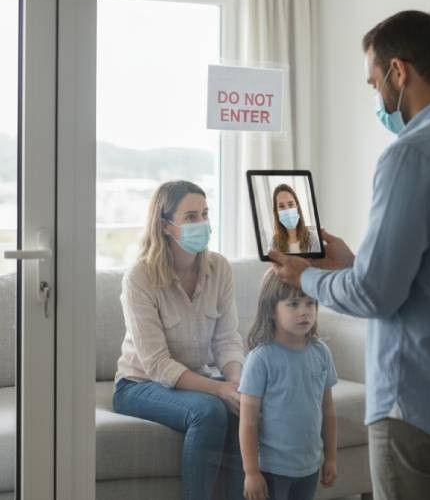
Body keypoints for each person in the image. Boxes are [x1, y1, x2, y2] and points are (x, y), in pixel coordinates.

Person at [268, 10, 430, 500]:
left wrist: (304, 277)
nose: (377, 98)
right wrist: (353, 264)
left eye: (374, 84)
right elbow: (428, 276)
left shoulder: (409, 154)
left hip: (414, 405)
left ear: (399, 72)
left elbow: (375, 295)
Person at [113, 180, 245, 500]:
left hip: (196, 378)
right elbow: (158, 365)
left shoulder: (219, 268)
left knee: (245, 407)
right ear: (165, 226)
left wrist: (236, 384)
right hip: (139, 384)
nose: (202, 223)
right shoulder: (140, 277)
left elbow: (227, 339)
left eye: (205, 214)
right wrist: (219, 390)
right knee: (210, 411)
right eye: (190, 217)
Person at [239, 270, 337, 500]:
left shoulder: (321, 352)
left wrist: (331, 457)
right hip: (273, 470)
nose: (304, 311)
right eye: (293, 304)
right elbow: (248, 421)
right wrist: (251, 472)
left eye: (310, 303)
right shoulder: (260, 359)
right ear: (272, 310)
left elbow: (328, 410)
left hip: (310, 466)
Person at [271, 183, 321, 254]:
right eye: (281, 206)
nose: (287, 210)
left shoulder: (312, 239)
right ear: (276, 211)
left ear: (297, 206)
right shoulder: (274, 244)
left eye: (290, 204)